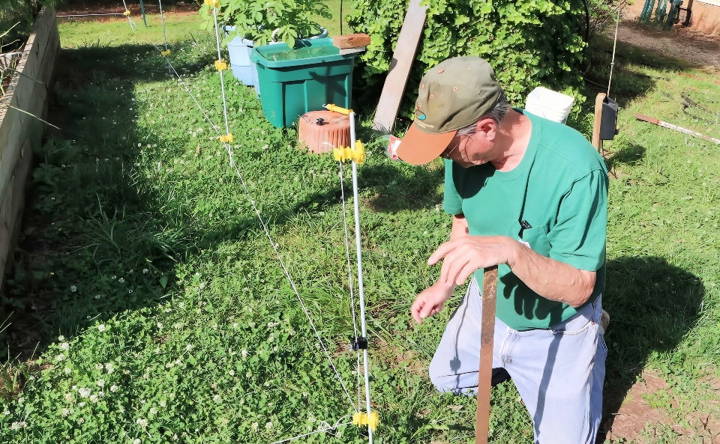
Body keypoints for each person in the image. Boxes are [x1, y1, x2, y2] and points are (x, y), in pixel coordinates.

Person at [396, 56, 608, 444]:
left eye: (447, 149)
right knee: (444, 379)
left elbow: (578, 286)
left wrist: (512, 250)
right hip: (489, 299)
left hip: (556, 322)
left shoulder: (576, 170)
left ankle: (591, 338)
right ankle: (506, 354)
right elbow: (461, 223)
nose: (444, 157)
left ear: (487, 128)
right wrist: (444, 286)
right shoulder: (462, 149)